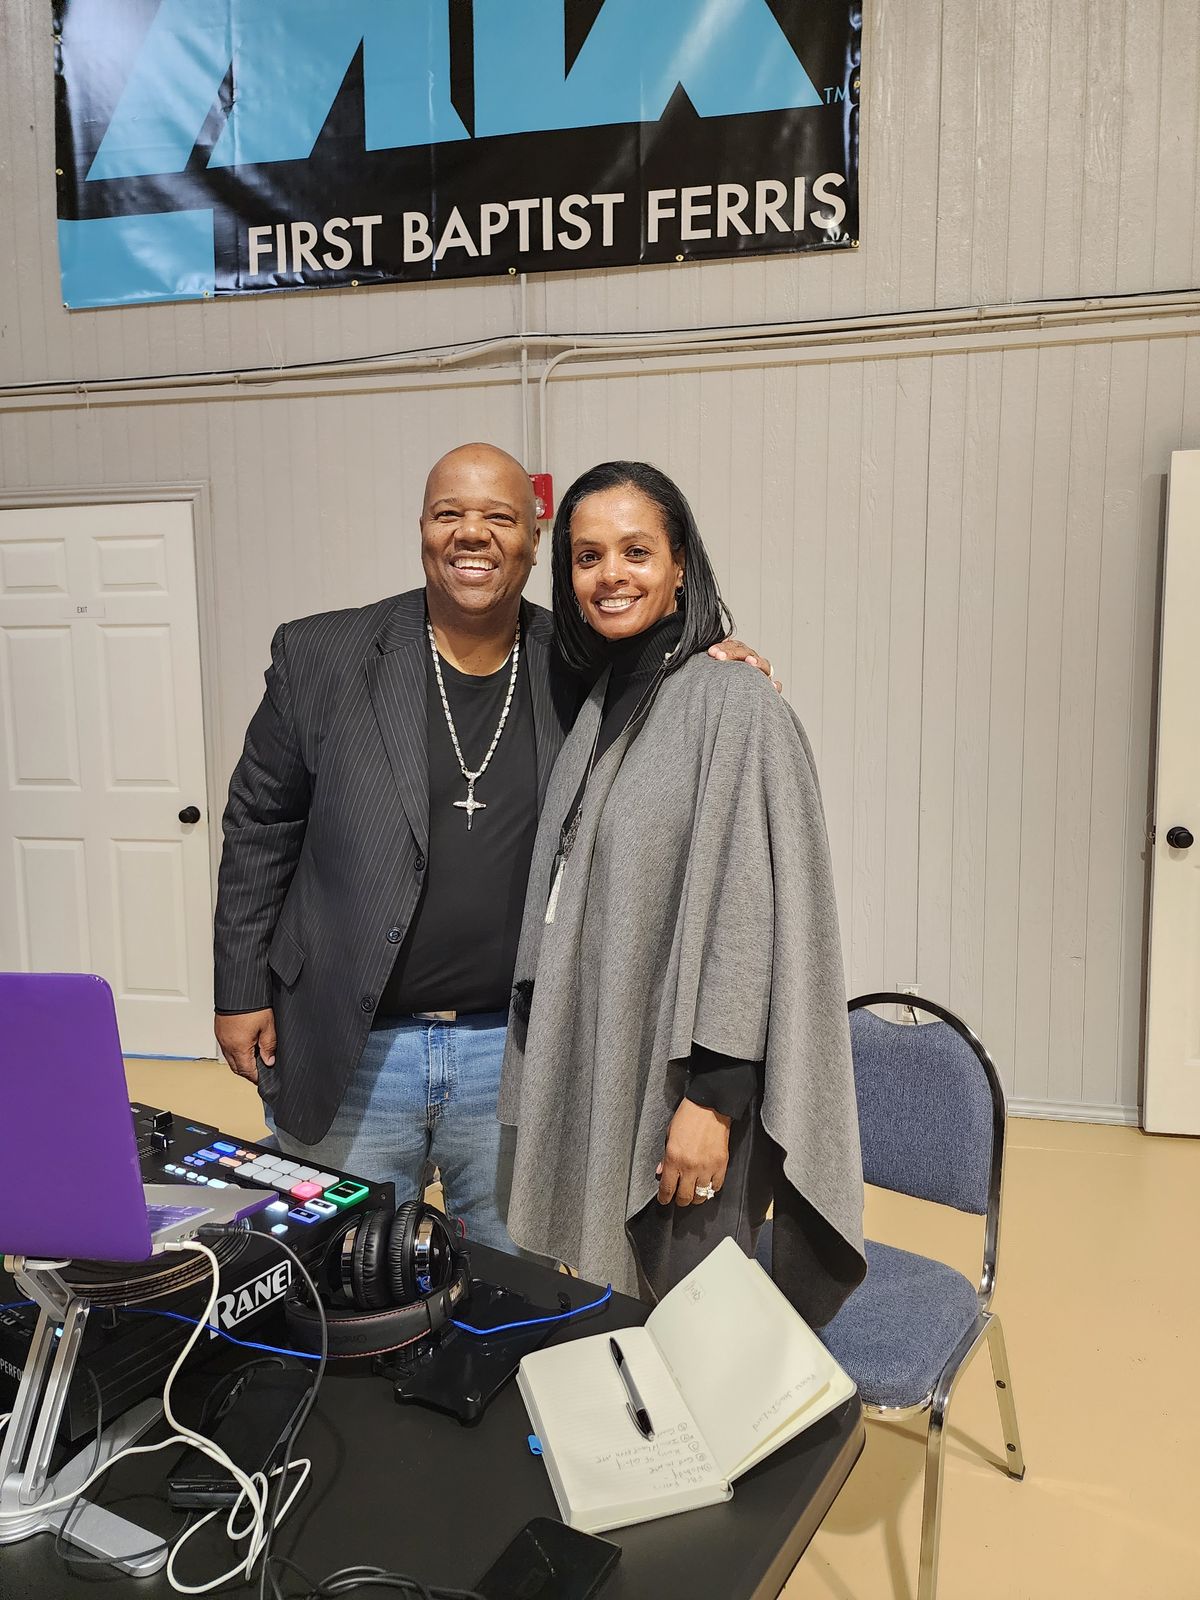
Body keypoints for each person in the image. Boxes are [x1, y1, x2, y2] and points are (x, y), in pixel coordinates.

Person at [213, 443, 776, 1251]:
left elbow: (667, 669)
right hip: (351, 1045)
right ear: (421, 528)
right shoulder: (321, 656)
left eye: (500, 517)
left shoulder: (579, 664)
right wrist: (239, 988)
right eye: (450, 513)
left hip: (515, 1055)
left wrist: (720, 654)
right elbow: (259, 825)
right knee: (344, 1278)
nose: (472, 534)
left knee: (516, 1284)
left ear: (534, 540)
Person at [499, 462, 866, 1323]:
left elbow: (750, 917)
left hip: (685, 1089)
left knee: (691, 1330)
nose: (611, 575)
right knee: (610, 1322)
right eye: (588, 556)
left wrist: (713, 1100)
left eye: (636, 551)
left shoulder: (732, 703)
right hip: (600, 1054)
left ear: (679, 567)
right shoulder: (605, 698)